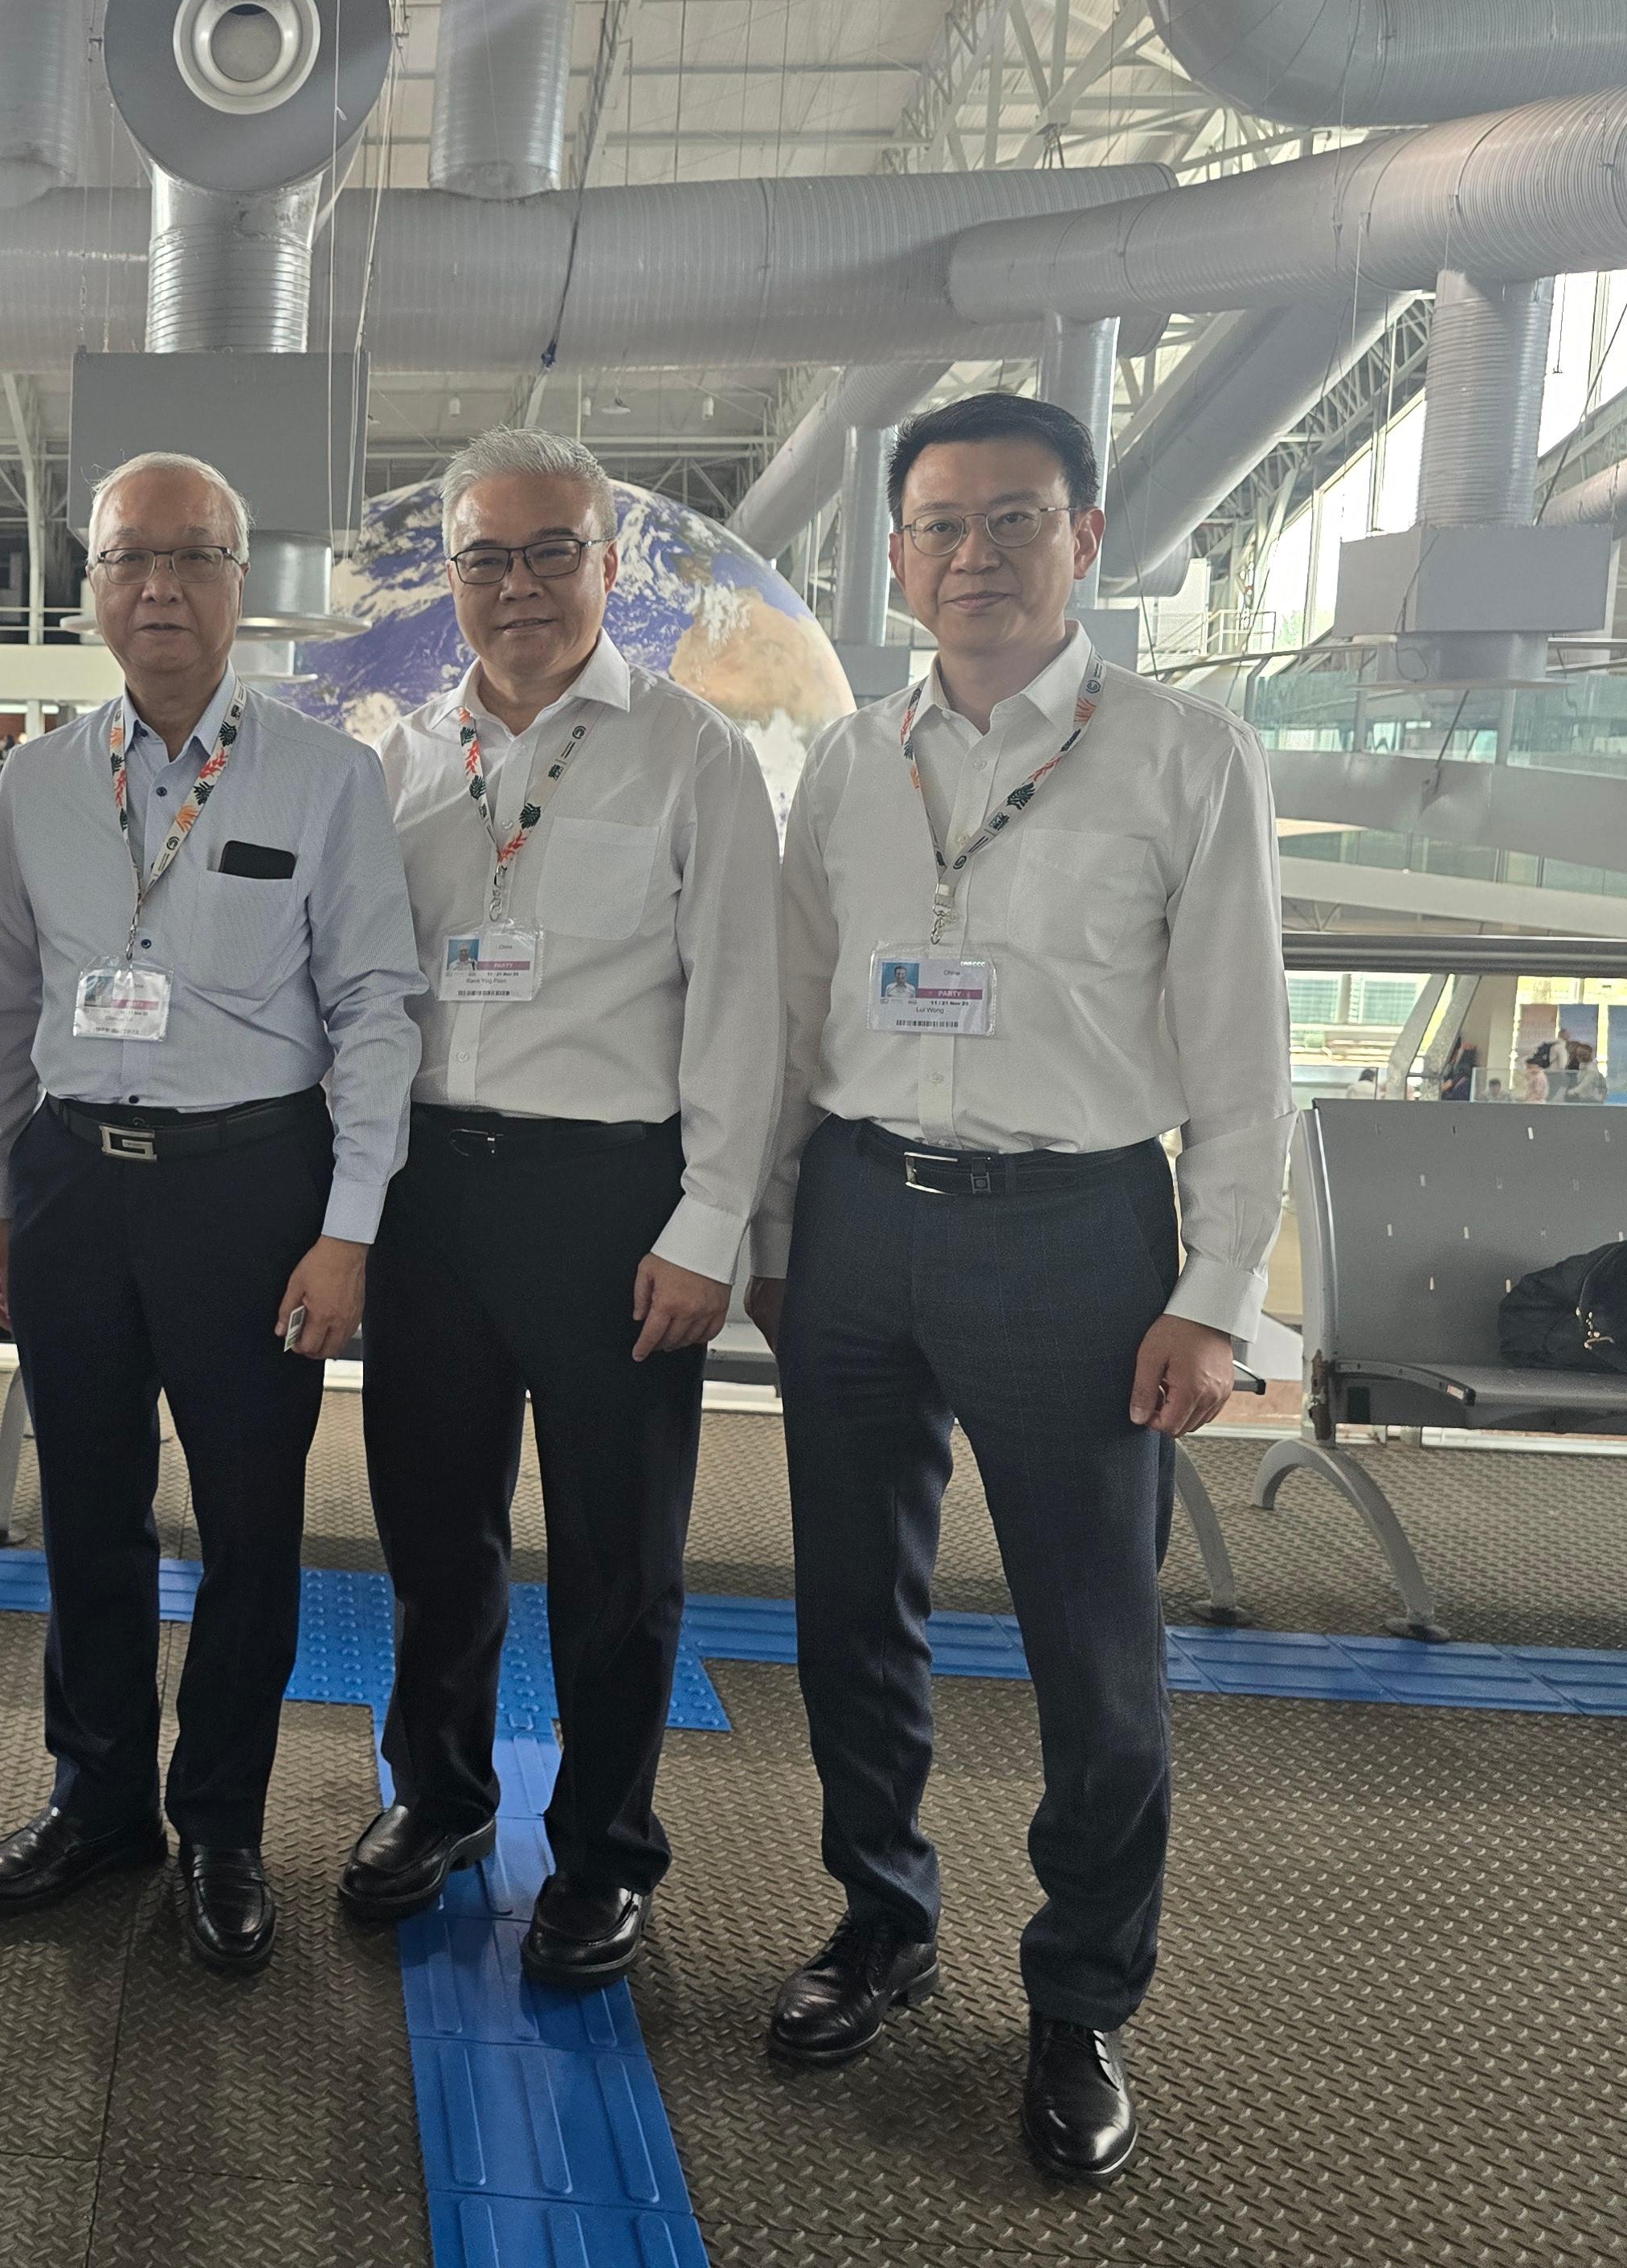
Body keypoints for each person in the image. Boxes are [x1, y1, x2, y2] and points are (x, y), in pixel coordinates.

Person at [745, 393, 1290, 2187]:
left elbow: (1237, 1048)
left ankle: (1076, 1999)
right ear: (892, 557)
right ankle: (880, 1923)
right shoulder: (846, 760)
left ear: (1086, 540)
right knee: (850, 1613)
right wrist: (760, 1227)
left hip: (1076, 1237)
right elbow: (792, 1007)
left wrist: (1211, 1292)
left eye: (1010, 520)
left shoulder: (1181, 757)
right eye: (937, 527)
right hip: (854, 1218)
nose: (970, 555)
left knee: (1089, 1645)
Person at [0, 452, 424, 1972]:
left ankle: (220, 1816)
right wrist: (0, 1195)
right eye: (127, 558)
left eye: (194, 557)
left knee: (250, 1523)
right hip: (75, 1184)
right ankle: (97, 1797)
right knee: (88, 1513)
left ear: (245, 581)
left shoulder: (324, 774)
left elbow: (373, 1010)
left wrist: (350, 1223)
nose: (159, 586)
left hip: (253, 1190)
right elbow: (2, 1009)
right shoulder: (36, 777)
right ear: (90, 584)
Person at [347, 429, 782, 1988]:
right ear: (448, 576)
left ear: (609, 566)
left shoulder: (690, 754)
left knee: (618, 1554)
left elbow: (743, 1004)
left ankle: (603, 1853)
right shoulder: (398, 756)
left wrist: (709, 1226)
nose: (516, 587)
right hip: (427, 1201)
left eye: (549, 553)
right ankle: (442, 1799)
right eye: (484, 558)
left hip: (614, 1201)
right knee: (433, 1535)